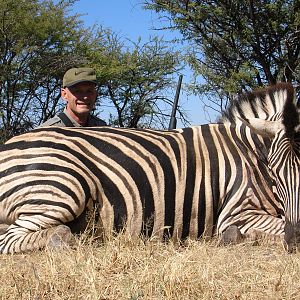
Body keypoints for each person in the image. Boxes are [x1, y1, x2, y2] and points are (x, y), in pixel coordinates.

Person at [39, 67, 107, 127]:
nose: (85, 97)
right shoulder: (48, 131)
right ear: (64, 94)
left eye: (89, 91)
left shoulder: (103, 128)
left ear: (95, 94)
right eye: (77, 91)